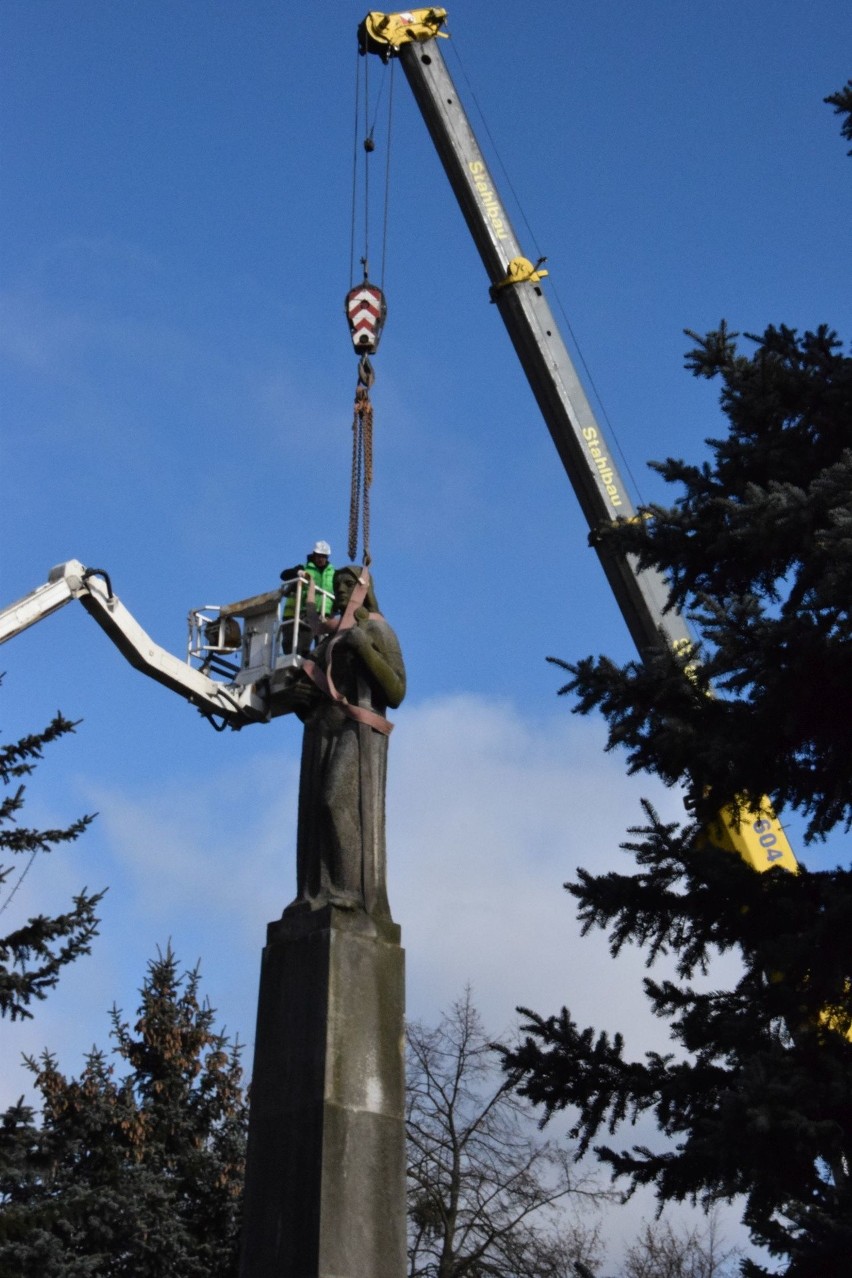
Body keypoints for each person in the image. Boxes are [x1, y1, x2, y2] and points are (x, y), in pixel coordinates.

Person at [288, 565, 406, 920]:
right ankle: (317, 894)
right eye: (336, 584)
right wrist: (299, 694)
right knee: (312, 819)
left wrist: (365, 650)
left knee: (336, 803)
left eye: (348, 583)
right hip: (320, 733)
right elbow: (310, 693)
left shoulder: (377, 629)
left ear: (364, 589)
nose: (340, 589)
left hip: (357, 731)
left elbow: (397, 691)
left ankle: (350, 894)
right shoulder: (326, 639)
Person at [280, 540, 335, 655]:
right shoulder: (305, 568)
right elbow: (284, 575)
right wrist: (299, 573)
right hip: (308, 612)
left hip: (325, 614)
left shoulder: (333, 573)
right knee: (304, 639)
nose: (321, 559)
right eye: (319, 556)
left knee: (325, 645)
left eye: (323, 556)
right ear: (314, 555)